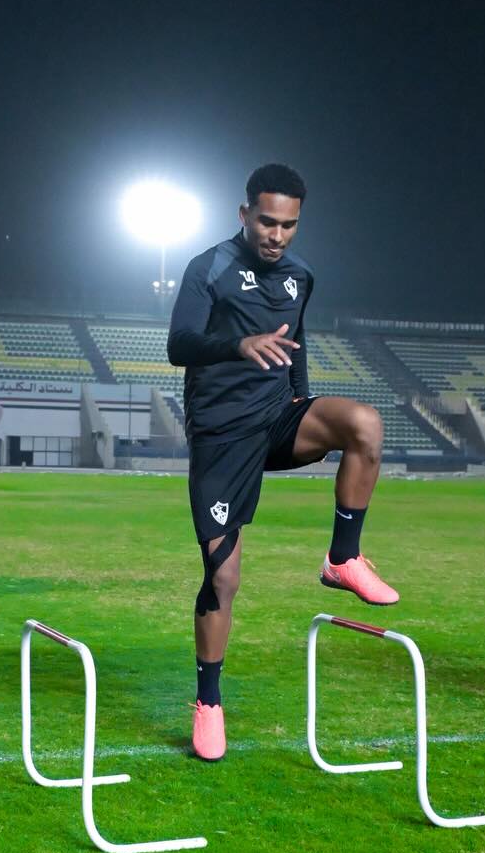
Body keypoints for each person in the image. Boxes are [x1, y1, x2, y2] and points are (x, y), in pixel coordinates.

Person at [167, 162, 400, 762]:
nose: (276, 235)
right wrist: (237, 345)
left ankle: (343, 559)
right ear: (244, 214)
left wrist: (301, 396)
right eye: (267, 221)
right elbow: (178, 345)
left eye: (288, 225)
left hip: (276, 419)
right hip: (221, 435)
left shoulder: (301, 275)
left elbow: (297, 341)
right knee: (223, 578)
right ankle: (209, 703)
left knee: (365, 424)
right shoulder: (208, 268)